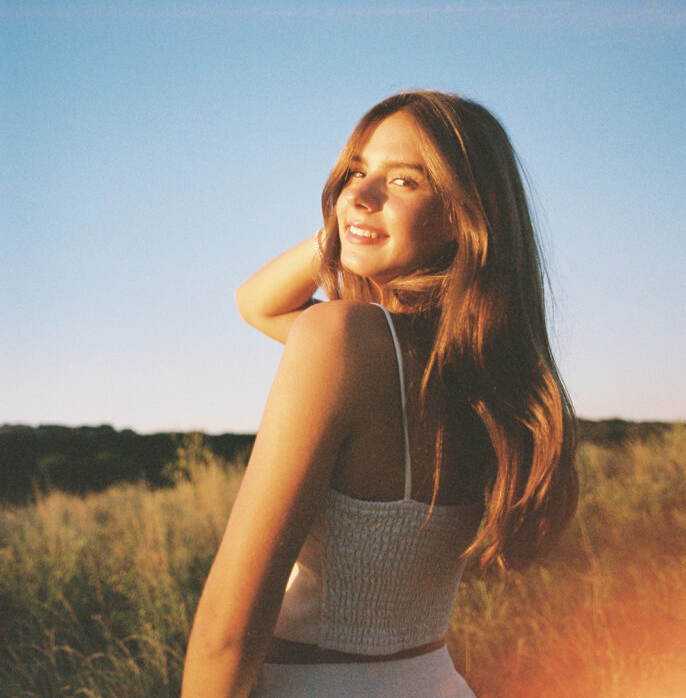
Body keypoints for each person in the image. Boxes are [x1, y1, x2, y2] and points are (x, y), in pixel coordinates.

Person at [181, 90, 578, 698]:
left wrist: (352, 226)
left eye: (404, 182)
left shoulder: (342, 338)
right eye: (357, 173)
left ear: (462, 215)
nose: (360, 194)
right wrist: (358, 222)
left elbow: (225, 636)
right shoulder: (488, 377)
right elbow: (254, 303)